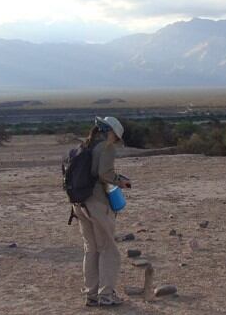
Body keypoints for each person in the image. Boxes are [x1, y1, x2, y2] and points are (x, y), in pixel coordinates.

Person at [74, 116, 132, 307]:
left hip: (79, 204)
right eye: (116, 137)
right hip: (97, 203)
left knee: (91, 249)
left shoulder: (85, 146)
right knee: (108, 249)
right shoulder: (106, 148)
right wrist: (120, 181)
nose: (115, 141)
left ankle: (91, 295)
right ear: (111, 133)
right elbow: (104, 174)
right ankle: (106, 295)